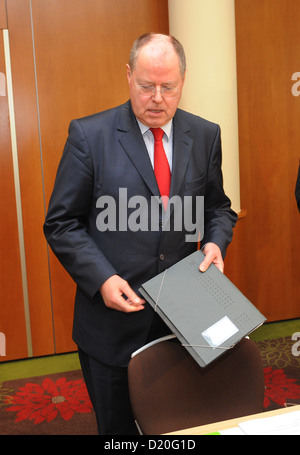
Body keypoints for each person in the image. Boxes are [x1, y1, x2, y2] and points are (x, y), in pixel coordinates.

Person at [44, 33, 237, 435]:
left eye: (168, 87)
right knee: (117, 432)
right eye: (147, 86)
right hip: (113, 325)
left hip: (183, 321)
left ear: (183, 81)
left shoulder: (205, 135)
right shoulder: (89, 136)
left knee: (181, 425)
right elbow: (61, 223)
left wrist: (216, 242)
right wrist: (103, 278)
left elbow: (218, 207)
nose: (157, 98)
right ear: (129, 76)